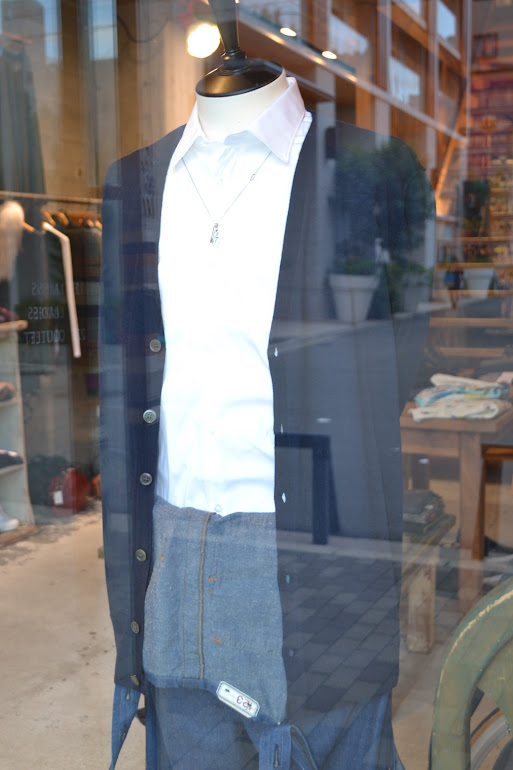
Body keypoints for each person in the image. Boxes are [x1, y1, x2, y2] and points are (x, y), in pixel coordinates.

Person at [99, 5, 433, 767]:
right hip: (170, 545)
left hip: (318, 546)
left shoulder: (372, 170)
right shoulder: (134, 182)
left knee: (329, 739)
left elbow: (399, 353)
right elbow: (124, 380)